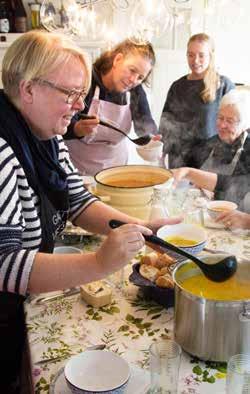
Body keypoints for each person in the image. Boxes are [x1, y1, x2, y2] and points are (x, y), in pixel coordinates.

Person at [0, 31, 180, 393]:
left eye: (81, 95)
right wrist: (99, 263)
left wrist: (142, 228)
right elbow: (5, 264)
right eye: (69, 94)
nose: (78, 106)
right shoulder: (2, 147)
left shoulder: (48, 135)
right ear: (28, 89)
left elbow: (78, 202)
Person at [63, 39, 159, 175]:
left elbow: (145, 123)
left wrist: (151, 138)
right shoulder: (86, 79)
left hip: (116, 169)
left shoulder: (136, 90)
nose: (133, 80)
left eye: (140, 77)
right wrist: (77, 129)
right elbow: (57, 125)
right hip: (78, 170)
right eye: (132, 70)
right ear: (117, 60)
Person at [159, 33, 235, 168]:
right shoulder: (177, 86)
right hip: (178, 158)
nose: (195, 60)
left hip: (211, 158)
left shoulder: (223, 85)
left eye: (201, 55)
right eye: (191, 55)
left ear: (210, 56)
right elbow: (166, 122)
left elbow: (237, 123)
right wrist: (161, 153)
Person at [171, 89, 250, 211]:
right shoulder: (210, 143)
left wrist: (190, 173)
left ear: (245, 125)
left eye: (230, 121)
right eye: (220, 118)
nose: (222, 125)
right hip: (201, 211)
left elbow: (236, 186)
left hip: (233, 217)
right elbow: (184, 166)